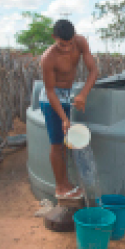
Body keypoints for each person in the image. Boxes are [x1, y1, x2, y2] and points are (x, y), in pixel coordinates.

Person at [38, 19, 98, 200]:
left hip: (68, 95)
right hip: (52, 100)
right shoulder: (48, 58)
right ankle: (60, 187)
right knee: (57, 144)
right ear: (54, 38)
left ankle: (66, 183)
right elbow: (49, 91)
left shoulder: (81, 42)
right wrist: (64, 118)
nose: (67, 48)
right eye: (62, 45)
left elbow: (93, 71)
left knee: (66, 143)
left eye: (70, 43)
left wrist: (83, 94)